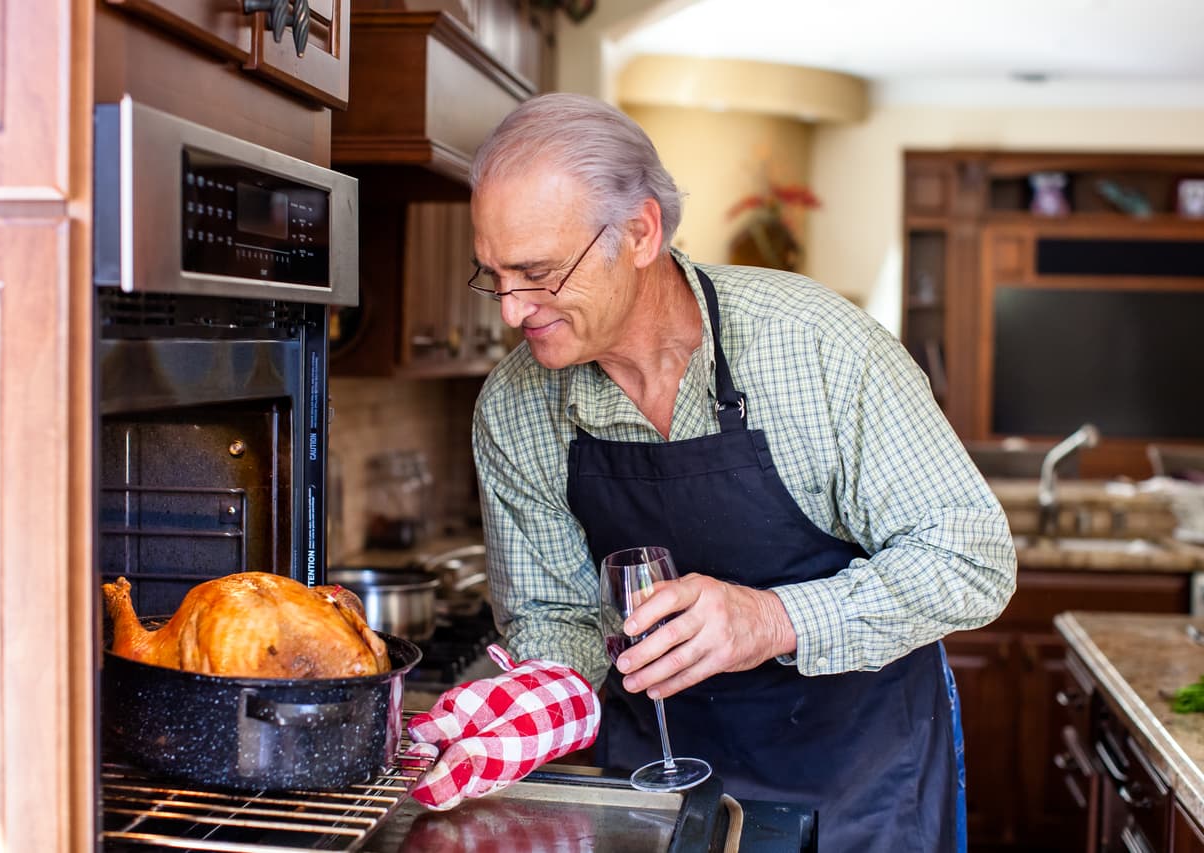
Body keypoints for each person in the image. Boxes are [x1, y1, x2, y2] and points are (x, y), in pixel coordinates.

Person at [407, 92, 1016, 852]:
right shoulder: (515, 406)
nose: (510, 309)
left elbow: (971, 559)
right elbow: (557, 618)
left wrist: (771, 619)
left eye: (537, 272)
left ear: (640, 233)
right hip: (658, 790)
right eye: (493, 274)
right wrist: (537, 699)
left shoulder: (818, 345)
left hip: (863, 781)